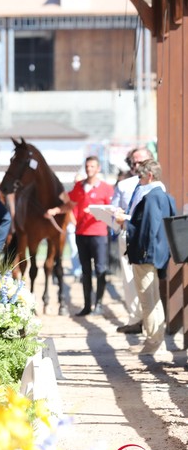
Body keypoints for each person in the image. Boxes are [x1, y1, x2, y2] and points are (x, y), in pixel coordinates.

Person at [114, 160, 176, 356]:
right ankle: (157, 340)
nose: (139, 181)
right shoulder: (167, 198)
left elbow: (146, 229)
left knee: (148, 300)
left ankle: (153, 342)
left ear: (149, 175)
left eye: (140, 177)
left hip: (145, 254)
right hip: (159, 253)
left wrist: (125, 223)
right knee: (155, 298)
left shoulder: (150, 198)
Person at [47, 155, 113, 316]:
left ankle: (98, 304)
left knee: (100, 269)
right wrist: (56, 210)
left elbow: (112, 210)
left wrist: (97, 211)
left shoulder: (106, 188)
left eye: (92, 167)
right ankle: (87, 305)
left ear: (98, 169)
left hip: (99, 234)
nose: (89, 169)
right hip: (81, 234)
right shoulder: (78, 186)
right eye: (87, 166)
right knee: (85, 271)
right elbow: (69, 204)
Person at [110, 147, 153, 333]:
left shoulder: (157, 183)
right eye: (134, 162)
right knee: (128, 279)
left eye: (141, 162)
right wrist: (115, 215)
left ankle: (151, 322)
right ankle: (135, 319)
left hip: (148, 236)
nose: (137, 166)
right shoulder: (124, 185)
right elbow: (113, 209)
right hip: (127, 234)